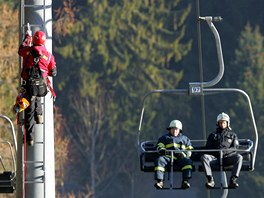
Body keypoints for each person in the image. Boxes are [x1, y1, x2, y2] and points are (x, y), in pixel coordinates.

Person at [18, 29, 57, 146]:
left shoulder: (27, 51)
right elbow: (53, 72)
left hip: (29, 86)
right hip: (42, 87)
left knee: (29, 111)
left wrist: (27, 37)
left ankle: (29, 138)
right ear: (44, 42)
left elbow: (20, 50)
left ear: (34, 41)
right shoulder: (49, 56)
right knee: (37, 95)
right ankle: (39, 115)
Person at [200, 112, 243, 189]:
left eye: (224, 123)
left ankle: (233, 180)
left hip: (227, 158)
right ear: (218, 123)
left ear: (227, 123)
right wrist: (217, 151)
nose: (222, 124)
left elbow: (235, 148)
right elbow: (208, 148)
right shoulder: (213, 135)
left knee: (239, 157)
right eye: (220, 123)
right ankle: (210, 180)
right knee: (204, 157)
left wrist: (225, 151)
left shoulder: (232, 135)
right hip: (215, 158)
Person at [154, 120, 193, 189]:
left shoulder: (185, 139)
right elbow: (159, 146)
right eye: (173, 129)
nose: (174, 131)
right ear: (170, 129)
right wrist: (163, 151)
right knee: (160, 160)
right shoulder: (164, 138)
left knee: (187, 161)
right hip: (168, 157)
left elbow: (189, 150)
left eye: (176, 129)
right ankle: (160, 182)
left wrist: (184, 155)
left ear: (179, 130)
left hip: (181, 158)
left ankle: (185, 181)